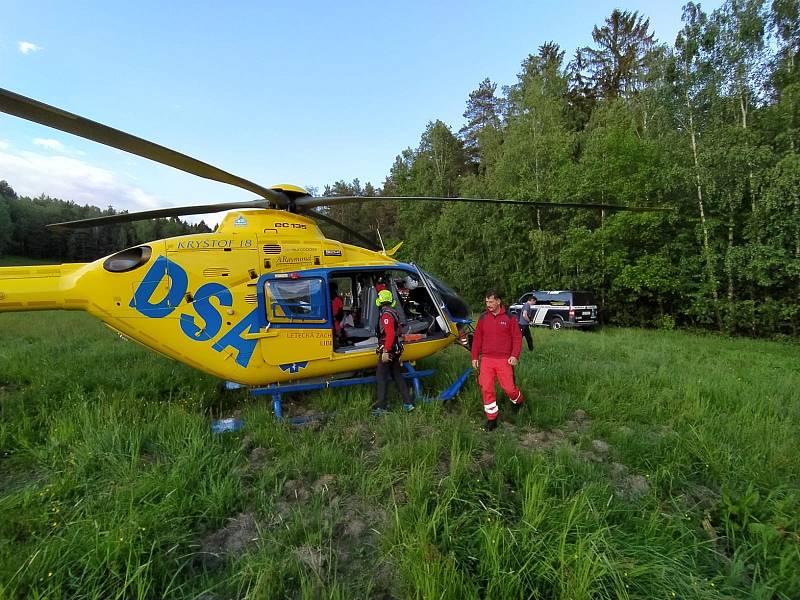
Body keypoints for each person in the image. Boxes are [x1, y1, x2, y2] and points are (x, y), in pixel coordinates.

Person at [470, 289, 523, 431]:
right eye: (487, 302)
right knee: (486, 388)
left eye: (491, 301)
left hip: (504, 360)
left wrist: (514, 355)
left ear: (498, 301)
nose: (488, 304)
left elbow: (517, 339)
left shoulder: (510, 318)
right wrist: (474, 357)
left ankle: (518, 401)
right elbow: (477, 339)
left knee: (509, 389)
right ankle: (492, 419)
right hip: (486, 359)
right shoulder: (483, 318)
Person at [373, 289, 414, 414]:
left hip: (389, 349)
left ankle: (381, 406)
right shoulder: (393, 312)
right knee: (397, 375)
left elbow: (390, 334)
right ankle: (408, 403)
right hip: (396, 349)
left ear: (380, 301)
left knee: (381, 376)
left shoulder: (386, 315)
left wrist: (385, 351)